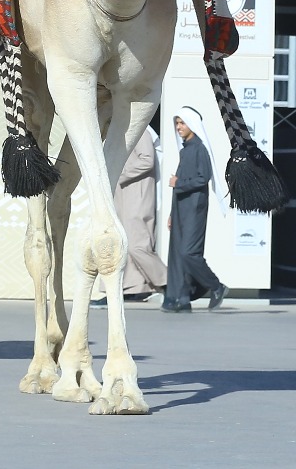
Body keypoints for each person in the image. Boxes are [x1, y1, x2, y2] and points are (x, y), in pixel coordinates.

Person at [163, 105, 227, 313]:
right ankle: (181, 298)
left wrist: (178, 182)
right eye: (177, 123)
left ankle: (216, 286)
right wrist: (173, 213)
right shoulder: (186, 149)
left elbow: (202, 178)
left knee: (189, 253)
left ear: (193, 125)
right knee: (177, 254)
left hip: (194, 209)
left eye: (182, 123)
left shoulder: (199, 149)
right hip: (181, 209)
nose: (179, 127)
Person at [95, 125, 167, 305]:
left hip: (138, 196)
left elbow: (147, 160)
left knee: (137, 245)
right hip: (124, 197)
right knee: (121, 245)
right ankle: (130, 289)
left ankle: (170, 283)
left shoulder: (140, 132)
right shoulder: (120, 132)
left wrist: (120, 172)